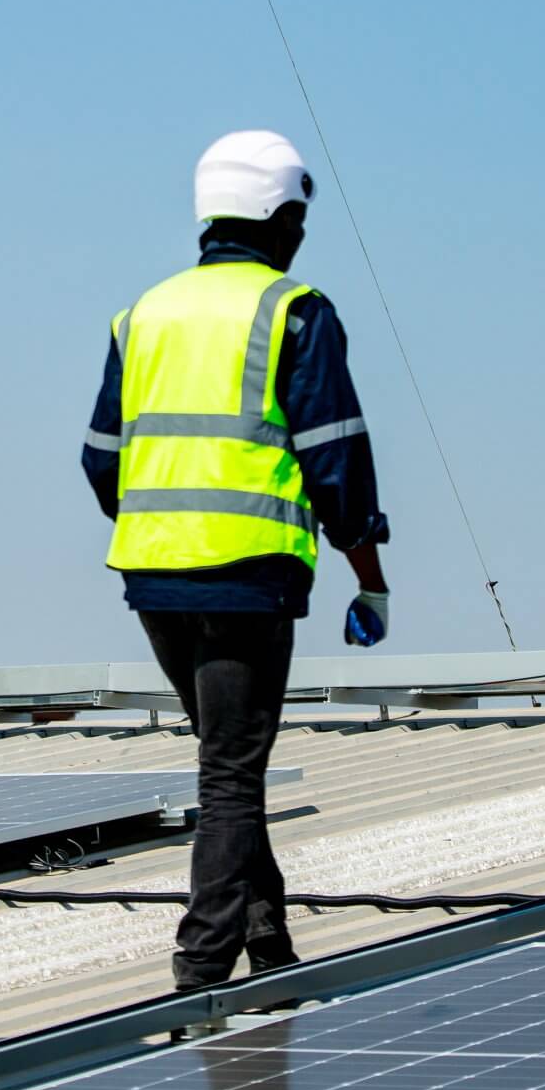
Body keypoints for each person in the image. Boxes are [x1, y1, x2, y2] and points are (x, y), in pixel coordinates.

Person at [81, 129, 391, 991]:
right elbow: (338, 461)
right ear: (284, 216)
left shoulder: (141, 314)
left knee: (226, 761)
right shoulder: (295, 310)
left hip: (153, 576)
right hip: (248, 574)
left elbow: (101, 459)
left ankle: (270, 943)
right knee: (230, 774)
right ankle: (200, 972)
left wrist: (160, 520)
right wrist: (371, 578)